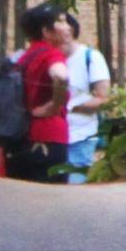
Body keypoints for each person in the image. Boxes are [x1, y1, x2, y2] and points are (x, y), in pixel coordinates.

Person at [6, 3, 75, 185]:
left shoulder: (24, 57)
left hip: (19, 138)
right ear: (46, 32)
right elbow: (61, 77)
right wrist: (55, 105)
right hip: (48, 138)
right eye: (61, 21)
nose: (68, 26)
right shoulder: (51, 55)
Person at [54, 11, 115, 184]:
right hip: (52, 137)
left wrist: (71, 107)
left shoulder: (91, 57)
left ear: (71, 30)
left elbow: (104, 98)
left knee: (75, 188)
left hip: (81, 136)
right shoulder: (49, 59)